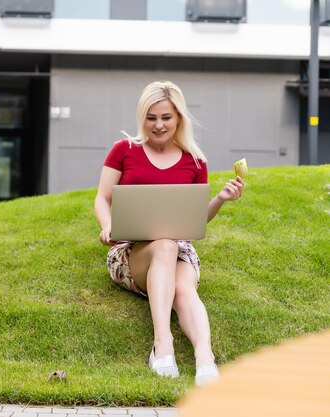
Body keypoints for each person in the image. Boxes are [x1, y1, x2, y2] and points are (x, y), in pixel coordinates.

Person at [94, 81, 245, 386]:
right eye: (151, 118)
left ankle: (205, 360)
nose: (159, 125)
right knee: (163, 245)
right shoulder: (123, 151)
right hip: (131, 250)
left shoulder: (194, 160)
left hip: (180, 247)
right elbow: (102, 198)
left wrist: (220, 199)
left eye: (166, 117)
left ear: (178, 117)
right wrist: (106, 224)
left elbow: (195, 218)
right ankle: (163, 345)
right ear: (142, 118)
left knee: (184, 288)